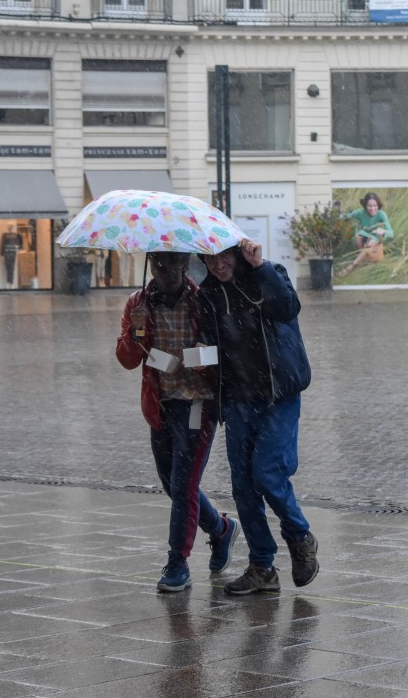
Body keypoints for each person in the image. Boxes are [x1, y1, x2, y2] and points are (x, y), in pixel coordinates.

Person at [197, 238, 319, 595]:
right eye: (208, 259)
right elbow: (206, 345)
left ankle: (299, 536)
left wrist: (260, 266)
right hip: (237, 398)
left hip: (278, 393)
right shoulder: (207, 294)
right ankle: (262, 566)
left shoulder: (267, 274)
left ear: (235, 252)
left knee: (267, 472)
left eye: (222, 257)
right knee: (243, 486)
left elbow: (287, 308)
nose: (217, 265)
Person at [116, 252, 241, 593]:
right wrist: (137, 331)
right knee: (173, 485)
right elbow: (128, 359)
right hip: (161, 404)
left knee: (184, 485)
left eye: (170, 263)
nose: (162, 270)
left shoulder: (205, 301)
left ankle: (178, 562)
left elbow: (228, 354)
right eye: (156, 263)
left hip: (197, 403)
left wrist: (202, 358)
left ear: (185, 265)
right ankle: (221, 529)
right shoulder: (138, 303)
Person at [337, 192, 393, 276]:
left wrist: (383, 232)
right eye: (370, 206)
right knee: (358, 236)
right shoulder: (360, 212)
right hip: (362, 237)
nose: (373, 208)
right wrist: (336, 216)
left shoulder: (381, 214)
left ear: (378, 205)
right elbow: (348, 216)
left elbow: (391, 232)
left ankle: (352, 266)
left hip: (375, 240)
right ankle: (363, 260)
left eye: (375, 205)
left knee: (370, 243)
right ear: (365, 206)